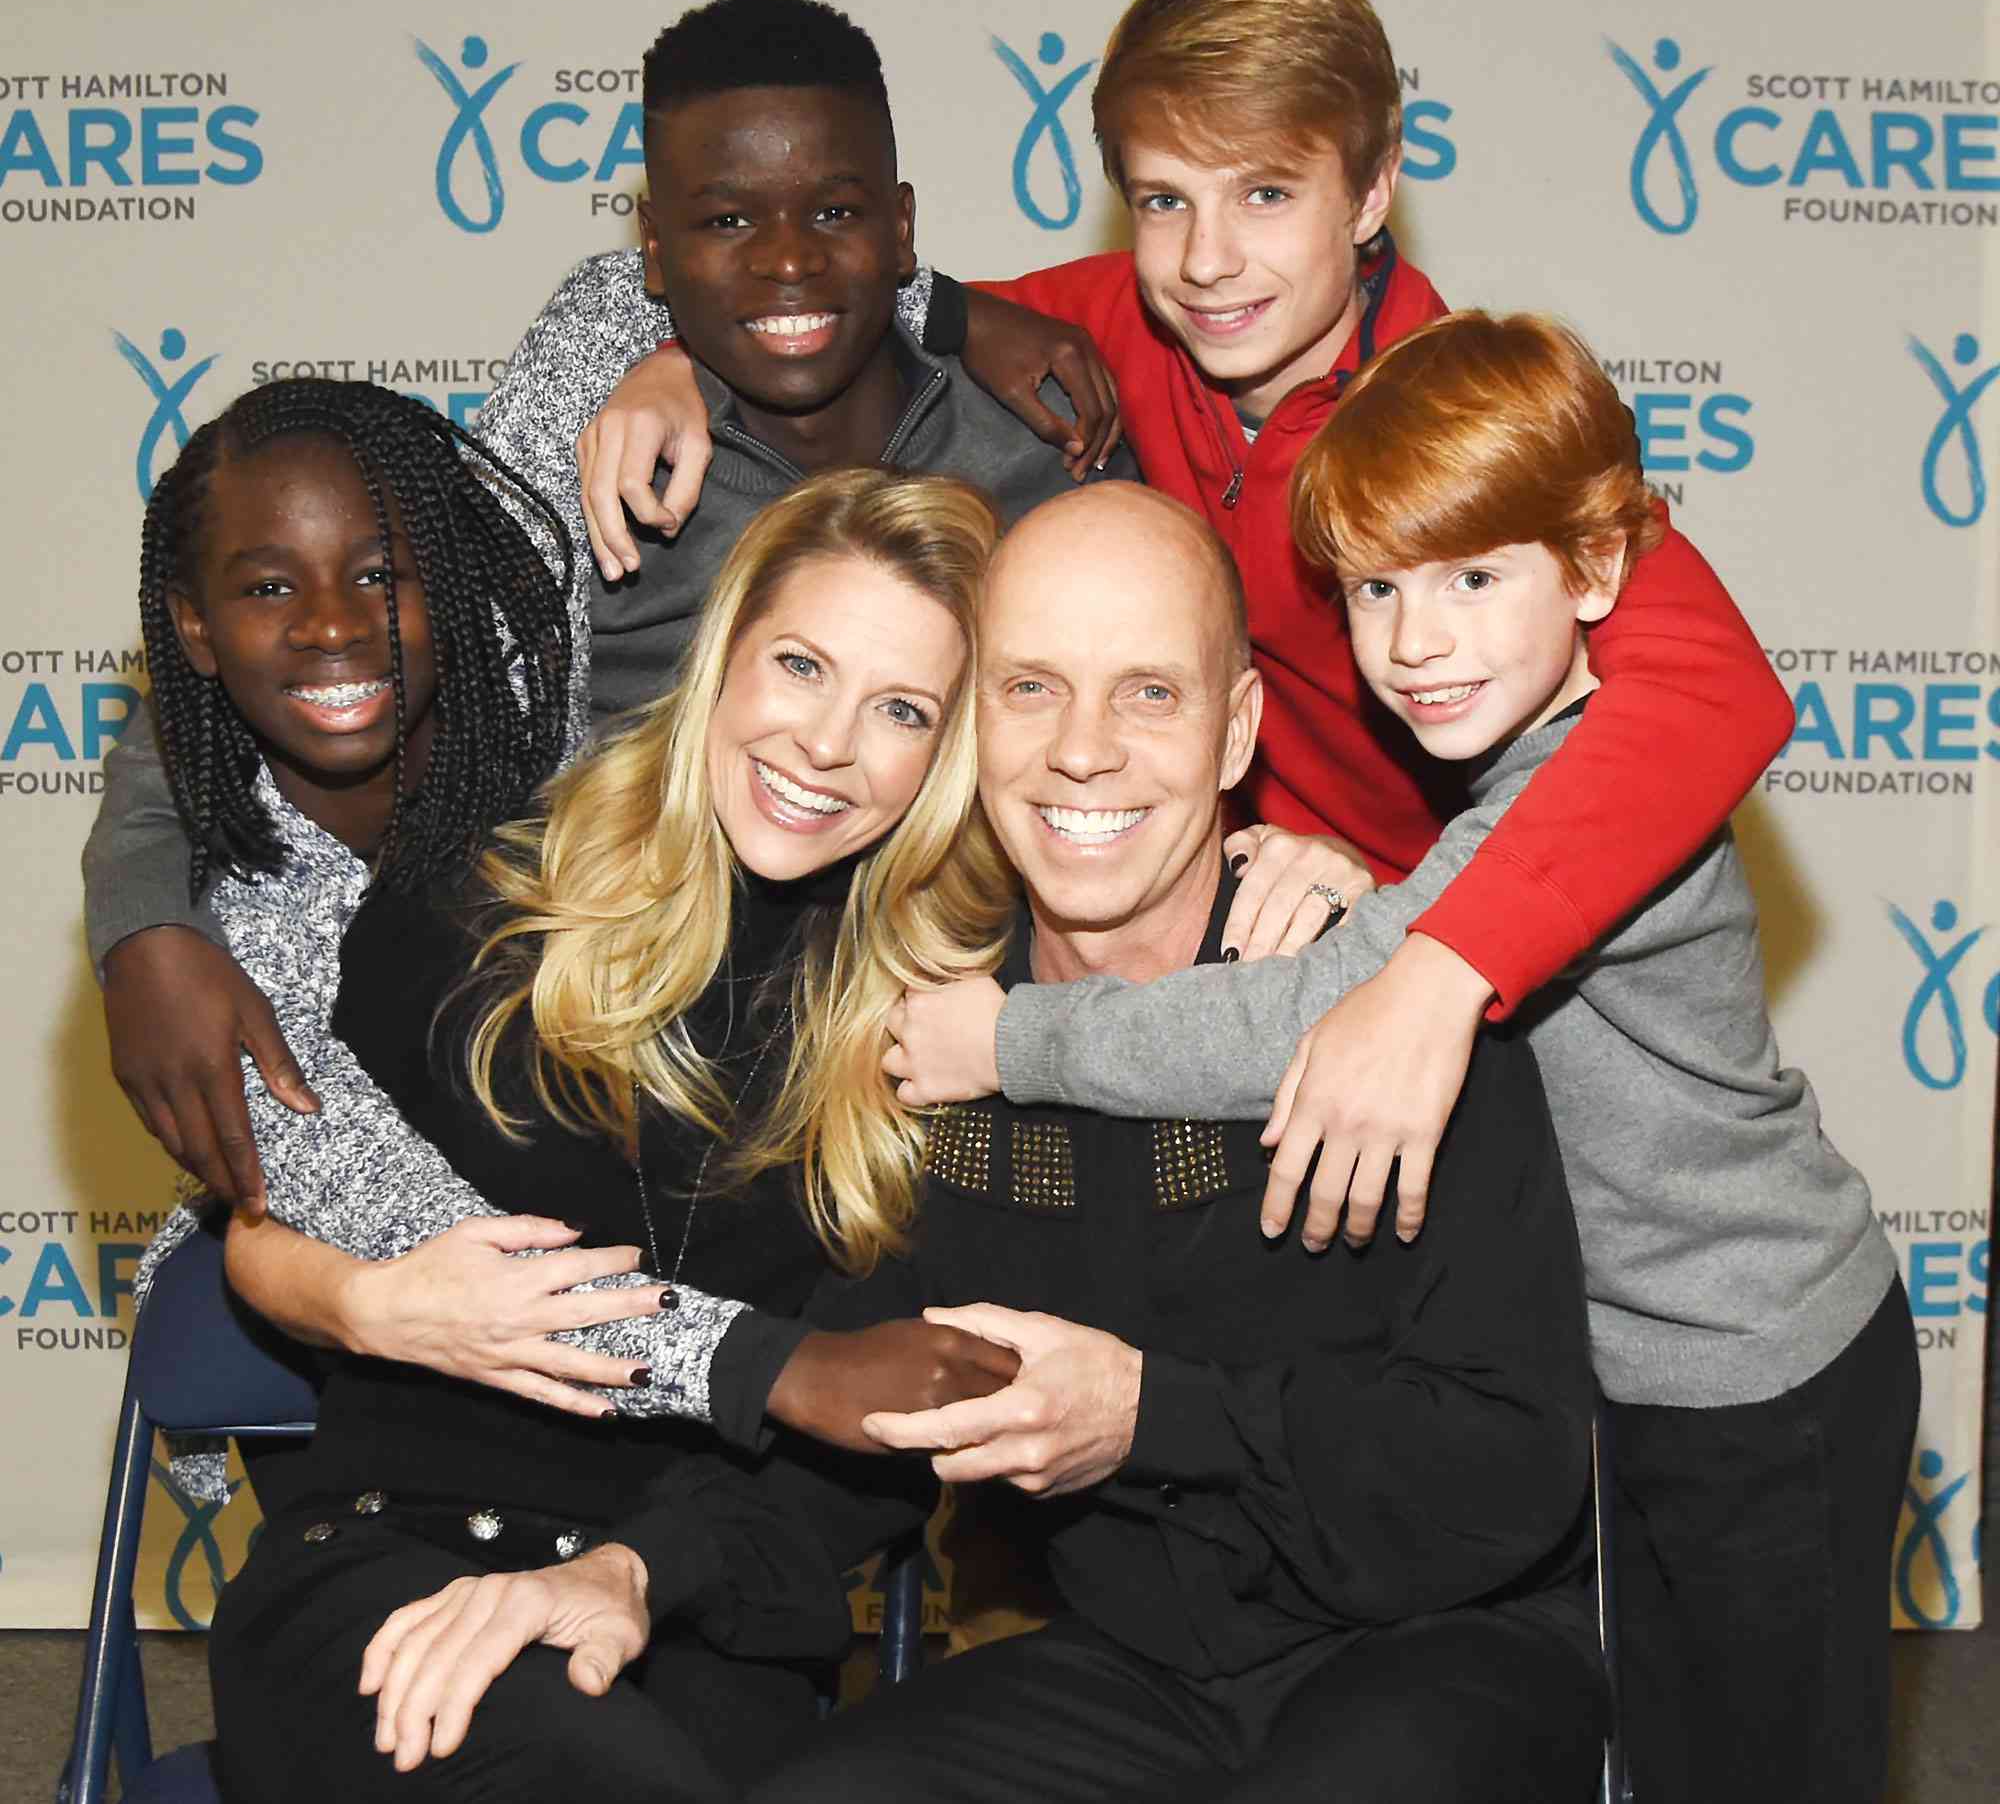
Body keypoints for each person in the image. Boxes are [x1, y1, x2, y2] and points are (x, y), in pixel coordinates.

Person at [360, 484, 1608, 1804]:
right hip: (1132, 1680)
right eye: (1030, 689)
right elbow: (868, 1418)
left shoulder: (1388, 1010)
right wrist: (629, 1573)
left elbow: (1511, 1465)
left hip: (1442, 1655)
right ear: (970, 728)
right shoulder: (948, 1050)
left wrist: (1149, 1415)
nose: (1083, 751)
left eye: (1149, 695)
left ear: (1238, 727)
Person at [582, 0, 1798, 1252]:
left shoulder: (1464, 420)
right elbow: (821, 289)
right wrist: (659, 359)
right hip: (1225, 964)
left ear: (1372, 192)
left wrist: (1437, 968)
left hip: (1445, 978)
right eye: (1163, 202)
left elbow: (1713, 690)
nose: (1211, 260)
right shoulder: (1118, 324)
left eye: (1265, 193)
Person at [888, 316, 1918, 1804]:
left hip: (1763, 1367)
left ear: (1600, 576)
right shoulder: (1508, 776)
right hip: (1650, 1367)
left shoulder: (1591, 798)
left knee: (1768, 1768)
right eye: (1376, 589)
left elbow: (1314, 1016)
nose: (1417, 642)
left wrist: (1009, 1037)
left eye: (1475, 580)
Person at [79, 0, 1144, 1219]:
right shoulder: (587, 437)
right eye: (727, 220)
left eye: (837, 215)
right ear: (652, 252)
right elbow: (309, 660)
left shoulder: (1041, 453)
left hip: (927, 1075)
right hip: (603, 1060)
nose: (786, 260)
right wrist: (142, 926)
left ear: (901, 227)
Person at [147, 446, 1021, 1801]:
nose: (827, 745)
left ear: (954, 749)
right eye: (800, 667)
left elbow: (874, 1443)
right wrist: (367, 1303)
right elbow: (267, 1204)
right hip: (396, 1566)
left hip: (697, 1622)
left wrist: (629, 1574)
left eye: (902, 708)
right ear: (726, 652)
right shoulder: (483, 885)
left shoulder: (956, 1033)